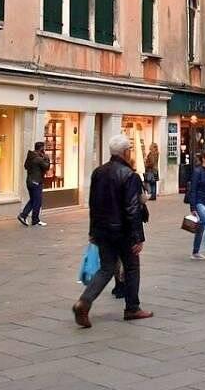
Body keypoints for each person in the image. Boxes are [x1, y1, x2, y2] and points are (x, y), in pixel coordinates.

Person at [72, 134, 152, 327]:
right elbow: (132, 209)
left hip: (103, 230)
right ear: (125, 152)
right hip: (123, 232)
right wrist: (138, 238)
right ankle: (132, 308)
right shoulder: (129, 175)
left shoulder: (98, 172)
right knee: (131, 267)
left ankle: (84, 301)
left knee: (107, 268)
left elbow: (94, 204)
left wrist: (93, 231)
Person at [18, 141, 50, 227]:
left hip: (29, 181)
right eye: (44, 148)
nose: (44, 150)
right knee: (37, 201)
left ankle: (24, 216)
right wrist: (47, 158)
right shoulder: (38, 158)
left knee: (33, 200)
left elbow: (25, 166)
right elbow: (46, 166)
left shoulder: (31, 157)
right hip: (36, 182)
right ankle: (34, 219)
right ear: (41, 148)